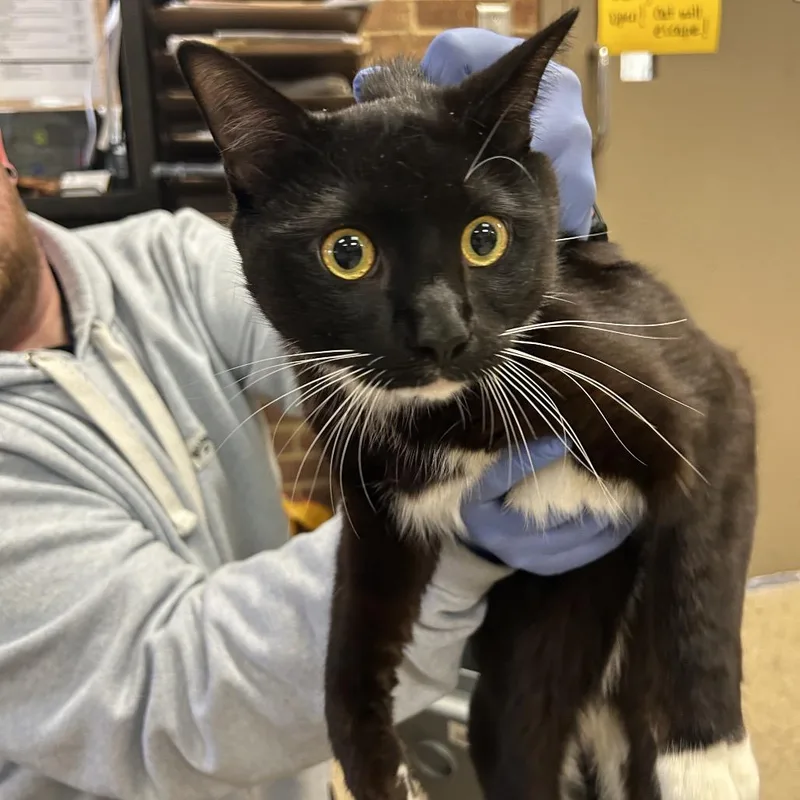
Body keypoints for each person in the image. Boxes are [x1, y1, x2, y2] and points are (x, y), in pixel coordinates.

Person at [0, 31, 626, 800]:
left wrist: (562, 272)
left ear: (5, 159)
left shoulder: (156, 261)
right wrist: (444, 534)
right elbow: (168, 698)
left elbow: (369, 354)